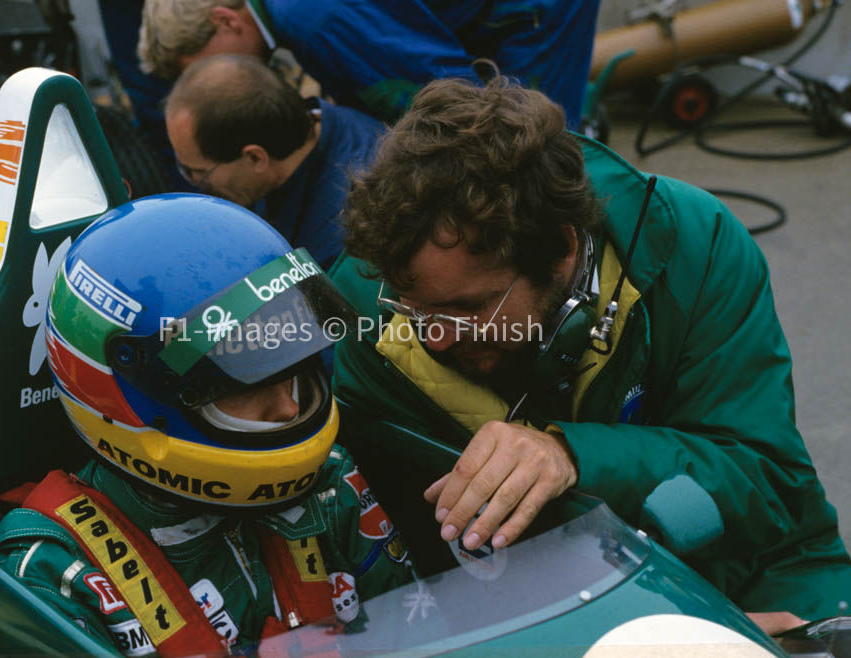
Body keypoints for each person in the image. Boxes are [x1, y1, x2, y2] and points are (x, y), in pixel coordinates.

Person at [329, 74, 851, 625]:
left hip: (752, 578)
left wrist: (571, 454)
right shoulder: (365, 311)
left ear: (560, 250)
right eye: (416, 311)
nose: (434, 336)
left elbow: (769, 482)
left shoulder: (697, 247)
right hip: (526, 612)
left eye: (466, 311)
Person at [0, 194, 412, 658]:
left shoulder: (330, 486)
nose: (290, 408)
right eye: (243, 381)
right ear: (133, 402)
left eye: (292, 366)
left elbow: (427, 641)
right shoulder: (54, 573)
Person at [137, 0, 600, 127]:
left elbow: (452, 98)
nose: (207, 84)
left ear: (224, 20)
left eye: (200, 69)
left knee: (537, 137)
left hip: (531, 13)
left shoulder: (313, 19)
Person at [164, 55, 384, 269]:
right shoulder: (320, 121)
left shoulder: (342, 238)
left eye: (199, 173)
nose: (193, 181)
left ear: (256, 158)